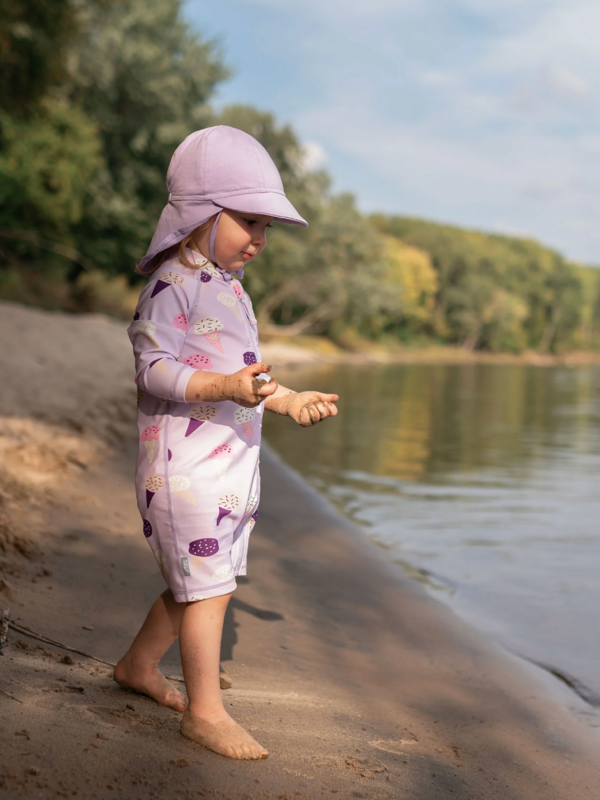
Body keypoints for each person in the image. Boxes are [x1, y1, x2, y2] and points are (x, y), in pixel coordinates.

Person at [114, 126, 339, 760]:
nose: (261, 241)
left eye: (267, 227)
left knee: (199, 582)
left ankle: (137, 665)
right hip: (183, 471)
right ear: (202, 216)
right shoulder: (172, 285)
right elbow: (151, 368)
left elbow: (246, 374)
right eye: (249, 222)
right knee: (207, 589)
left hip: (225, 472)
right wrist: (221, 384)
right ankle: (205, 713)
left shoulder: (228, 288)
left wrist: (288, 398)